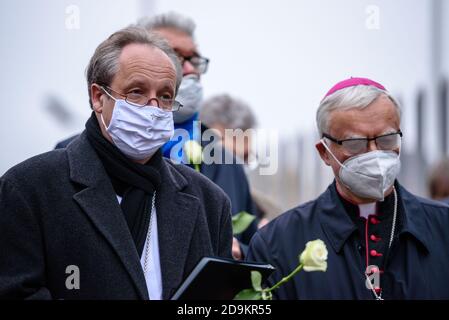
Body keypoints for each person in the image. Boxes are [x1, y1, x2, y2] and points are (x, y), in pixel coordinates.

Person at [0, 26, 232, 300]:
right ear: (99, 97)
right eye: (136, 92)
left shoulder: (210, 203)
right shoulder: (29, 190)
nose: (153, 108)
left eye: (166, 96)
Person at [247, 77, 449, 299]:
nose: (374, 153)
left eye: (387, 139)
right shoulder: (277, 243)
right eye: (355, 144)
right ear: (324, 152)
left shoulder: (442, 226)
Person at [138, 12, 257, 260]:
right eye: (177, 56)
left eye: (194, 59)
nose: (191, 69)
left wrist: (237, 253)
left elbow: (253, 253)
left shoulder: (226, 164)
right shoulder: (79, 155)